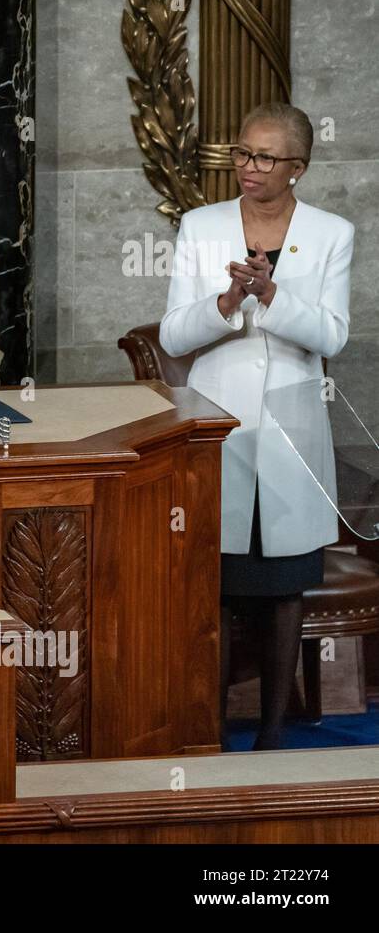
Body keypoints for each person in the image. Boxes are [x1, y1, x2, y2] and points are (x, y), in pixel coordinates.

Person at [160, 102, 352, 749]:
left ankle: (272, 736)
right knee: (216, 587)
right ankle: (206, 733)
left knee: (283, 589)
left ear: (296, 168)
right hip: (221, 427)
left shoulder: (330, 234)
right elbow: (174, 336)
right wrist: (226, 301)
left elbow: (332, 334)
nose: (248, 167)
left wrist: (271, 295)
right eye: (243, 153)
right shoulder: (201, 226)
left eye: (265, 157)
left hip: (292, 434)